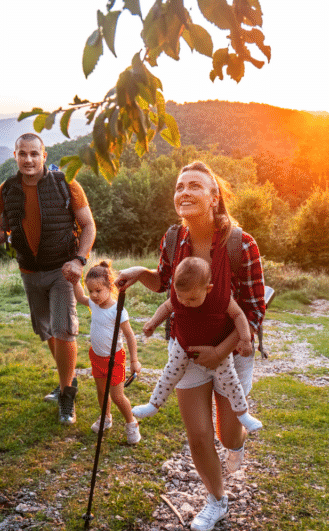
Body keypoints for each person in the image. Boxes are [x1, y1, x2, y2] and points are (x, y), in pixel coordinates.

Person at [116, 161, 267, 531]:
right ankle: (217, 501)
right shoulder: (173, 238)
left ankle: (237, 442)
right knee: (198, 436)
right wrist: (140, 274)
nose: (184, 192)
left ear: (214, 197)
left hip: (230, 349)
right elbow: (169, 284)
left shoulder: (240, 244)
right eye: (179, 186)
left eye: (195, 186)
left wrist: (222, 351)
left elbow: (254, 309)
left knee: (226, 433)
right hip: (186, 350)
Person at [0, 133, 96, 426]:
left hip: (62, 270)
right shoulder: (7, 189)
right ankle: (65, 379)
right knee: (46, 330)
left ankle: (68, 394)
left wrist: (79, 260)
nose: (28, 160)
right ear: (14, 156)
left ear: (44, 156)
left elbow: (88, 225)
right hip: (29, 270)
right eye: (23, 154)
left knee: (64, 328)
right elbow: (0, 226)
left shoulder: (66, 184)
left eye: (34, 154)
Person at [133, 256, 262, 434]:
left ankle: (243, 414)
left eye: (192, 299)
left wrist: (245, 339)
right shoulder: (181, 297)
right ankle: (153, 404)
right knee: (170, 373)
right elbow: (165, 308)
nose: (185, 302)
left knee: (230, 381)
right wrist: (152, 323)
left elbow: (239, 316)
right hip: (183, 344)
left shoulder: (221, 298)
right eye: (180, 296)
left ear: (208, 289)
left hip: (217, 347)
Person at [72, 260, 142, 444]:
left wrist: (134, 361)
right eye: (91, 291)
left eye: (98, 291)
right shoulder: (94, 304)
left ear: (110, 287)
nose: (94, 295)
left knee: (117, 396)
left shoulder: (117, 310)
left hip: (115, 359)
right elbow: (80, 297)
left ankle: (131, 424)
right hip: (96, 356)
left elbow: (130, 336)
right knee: (102, 392)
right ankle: (106, 418)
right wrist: (74, 281)